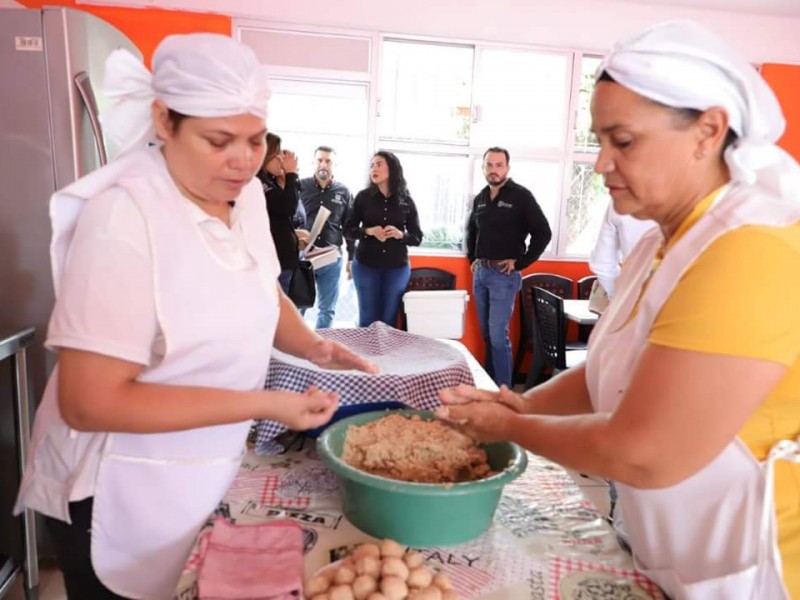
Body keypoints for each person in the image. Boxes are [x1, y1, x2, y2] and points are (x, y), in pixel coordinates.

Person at [438, 20, 800, 600]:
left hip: (755, 568)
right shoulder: (665, 239)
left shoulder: (753, 246)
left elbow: (646, 451)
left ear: (708, 131)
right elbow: (614, 371)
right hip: (677, 552)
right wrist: (524, 402)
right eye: (598, 140)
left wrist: (512, 427)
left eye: (622, 141)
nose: (601, 162)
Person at [14, 35, 377, 600]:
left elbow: (258, 283)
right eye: (219, 140)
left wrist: (312, 346)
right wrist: (265, 403)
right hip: (113, 488)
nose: (243, 158)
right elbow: (89, 403)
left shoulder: (246, 193)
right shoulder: (124, 218)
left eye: (256, 139)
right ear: (164, 121)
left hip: (196, 469)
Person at [465, 147, 552, 388]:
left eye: (499, 165)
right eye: (489, 165)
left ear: (507, 168)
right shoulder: (481, 198)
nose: (494, 170)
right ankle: (489, 386)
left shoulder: (521, 196)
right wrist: (472, 258)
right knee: (487, 336)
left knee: (497, 337)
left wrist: (520, 263)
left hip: (504, 276)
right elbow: (471, 232)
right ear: (483, 168)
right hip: (481, 274)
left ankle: (503, 391)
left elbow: (543, 233)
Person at [344, 151, 423, 327]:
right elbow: (348, 230)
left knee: (389, 319)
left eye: (379, 164)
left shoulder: (406, 200)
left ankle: (385, 354)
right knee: (367, 319)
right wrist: (369, 231)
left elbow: (417, 237)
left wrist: (400, 234)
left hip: (397, 268)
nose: (374, 168)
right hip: (365, 265)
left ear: (392, 169)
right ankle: (365, 355)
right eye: (372, 165)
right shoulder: (363, 197)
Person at [299, 146, 355, 328]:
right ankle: (294, 350)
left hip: (331, 260)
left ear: (334, 165)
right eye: (320, 160)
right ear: (313, 163)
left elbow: (349, 228)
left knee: (327, 310)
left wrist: (351, 258)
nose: (324, 164)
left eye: (328, 161)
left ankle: (320, 353)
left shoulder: (343, 192)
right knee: (298, 306)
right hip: (304, 257)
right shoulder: (300, 187)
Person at [257, 132, 309, 294]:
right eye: (277, 153)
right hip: (274, 262)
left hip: (282, 260)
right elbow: (287, 207)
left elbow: (278, 218)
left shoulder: (270, 181)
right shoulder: (259, 182)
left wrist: (294, 237)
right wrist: (291, 173)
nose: (281, 158)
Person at [589, 203, 656, 297]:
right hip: (678, 299)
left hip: (632, 297)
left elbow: (602, 262)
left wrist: (619, 297)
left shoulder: (621, 200)